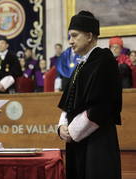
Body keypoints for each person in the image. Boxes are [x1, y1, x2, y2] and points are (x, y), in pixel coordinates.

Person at [57, 11, 122, 179]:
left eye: (74, 36)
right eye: (69, 36)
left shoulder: (104, 61)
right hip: (77, 141)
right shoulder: (81, 64)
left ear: (89, 35)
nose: (70, 41)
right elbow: (69, 100)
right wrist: (61, 126)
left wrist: (72, 131)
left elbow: (102, 106)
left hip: (97, 142)